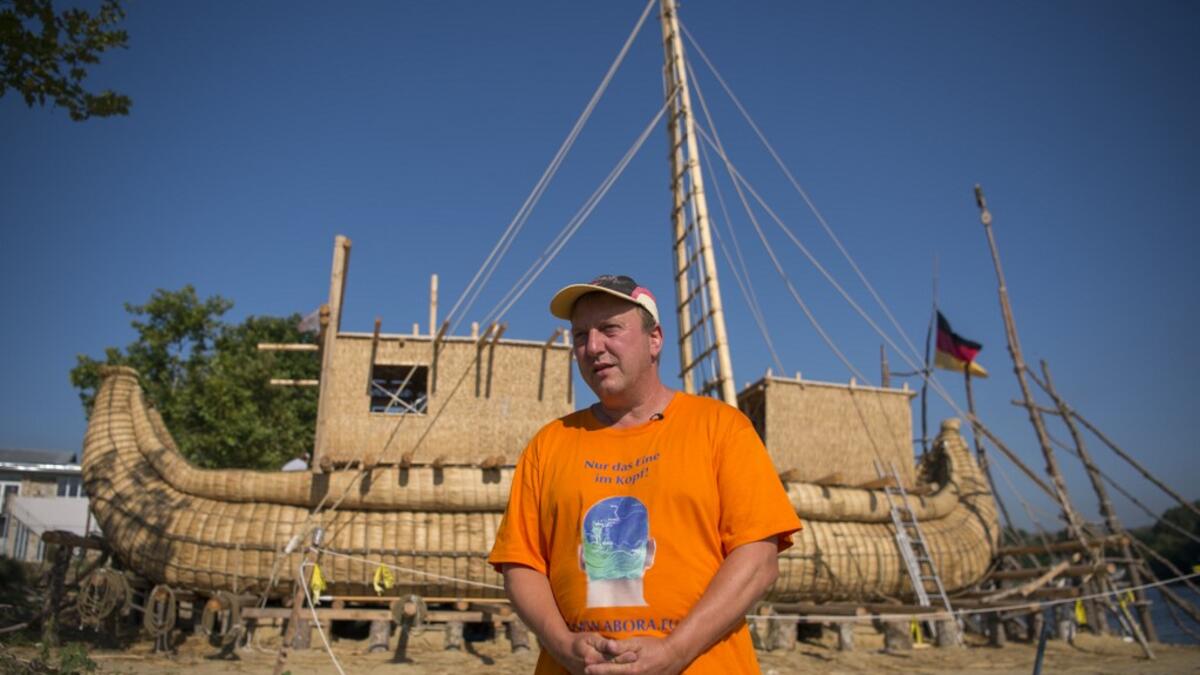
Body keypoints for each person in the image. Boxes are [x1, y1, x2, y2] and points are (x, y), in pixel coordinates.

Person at [488, 274, 801, 674]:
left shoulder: (721, 429)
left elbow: (758, 558)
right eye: (581, 335)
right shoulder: (549, 445)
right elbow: (522, 565)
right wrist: (564, 645)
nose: (593, 346)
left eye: (610, 329)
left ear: (655, 339)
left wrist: (675, 651)